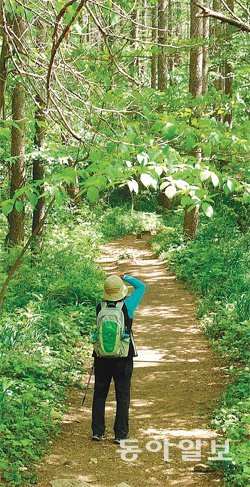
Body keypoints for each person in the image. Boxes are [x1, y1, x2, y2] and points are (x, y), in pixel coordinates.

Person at [91, 273, 146, 444]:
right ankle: (120, 433)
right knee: (122, 394)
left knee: (100, 393)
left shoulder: (99, 307)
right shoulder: (127, 305)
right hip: (123, 355)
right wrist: (126, 276)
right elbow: (142, 287)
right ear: (120, 291)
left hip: (101, 357)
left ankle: (98, 431)